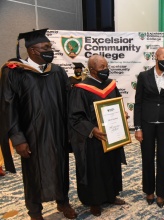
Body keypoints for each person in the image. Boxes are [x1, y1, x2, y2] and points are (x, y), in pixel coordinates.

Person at [0, 28, 77, 220]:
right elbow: (8, 107)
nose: (49, 50)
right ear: (33, 50)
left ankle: (63, 202)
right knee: (33, 173)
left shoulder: (57, 72)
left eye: (49, 46)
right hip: (31, 135)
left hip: (57, 131)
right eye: (45, 47)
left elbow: (70, 101)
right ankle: (35, 212)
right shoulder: (14, 72)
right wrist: (17, 138)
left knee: (61, 167)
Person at [69, 54, 127, 216]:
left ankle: (110, 195)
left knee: (111, 165)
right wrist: (92, 129)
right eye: (102, 67)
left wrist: (122, 114)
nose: (106, 70)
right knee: (94, 169)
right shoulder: (81, 88)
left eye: (106, 66)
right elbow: (75, 117)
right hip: (93, 139)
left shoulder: (110, 84)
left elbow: (117, 103)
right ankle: (94, 201)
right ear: (92, 70)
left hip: (111, 135)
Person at [134, 47, 164, 208]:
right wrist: (137, 127)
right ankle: (149, 191)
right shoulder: (144, 76)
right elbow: (138, 103)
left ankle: (161, 193)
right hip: (147, 123)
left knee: (163, 159)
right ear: (156, 57)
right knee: (147, 158)